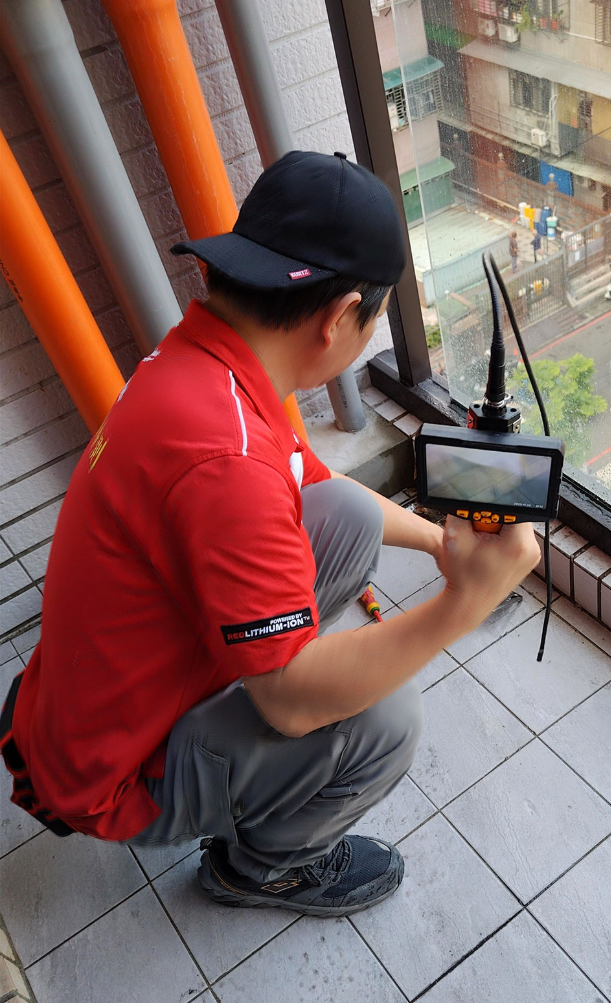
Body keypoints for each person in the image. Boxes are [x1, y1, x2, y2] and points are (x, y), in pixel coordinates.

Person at [0, 151, 540, 918]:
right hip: (110, 775)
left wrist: (436, 543)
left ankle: (242, 721)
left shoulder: (199, 367)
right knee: (381, 724)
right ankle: (259, 870)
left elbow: (310, 483)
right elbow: (289, 703)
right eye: (373, 321)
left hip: (85, 702)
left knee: (347, 513)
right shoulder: (228, 460)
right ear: (338, 317)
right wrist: (465, 604)